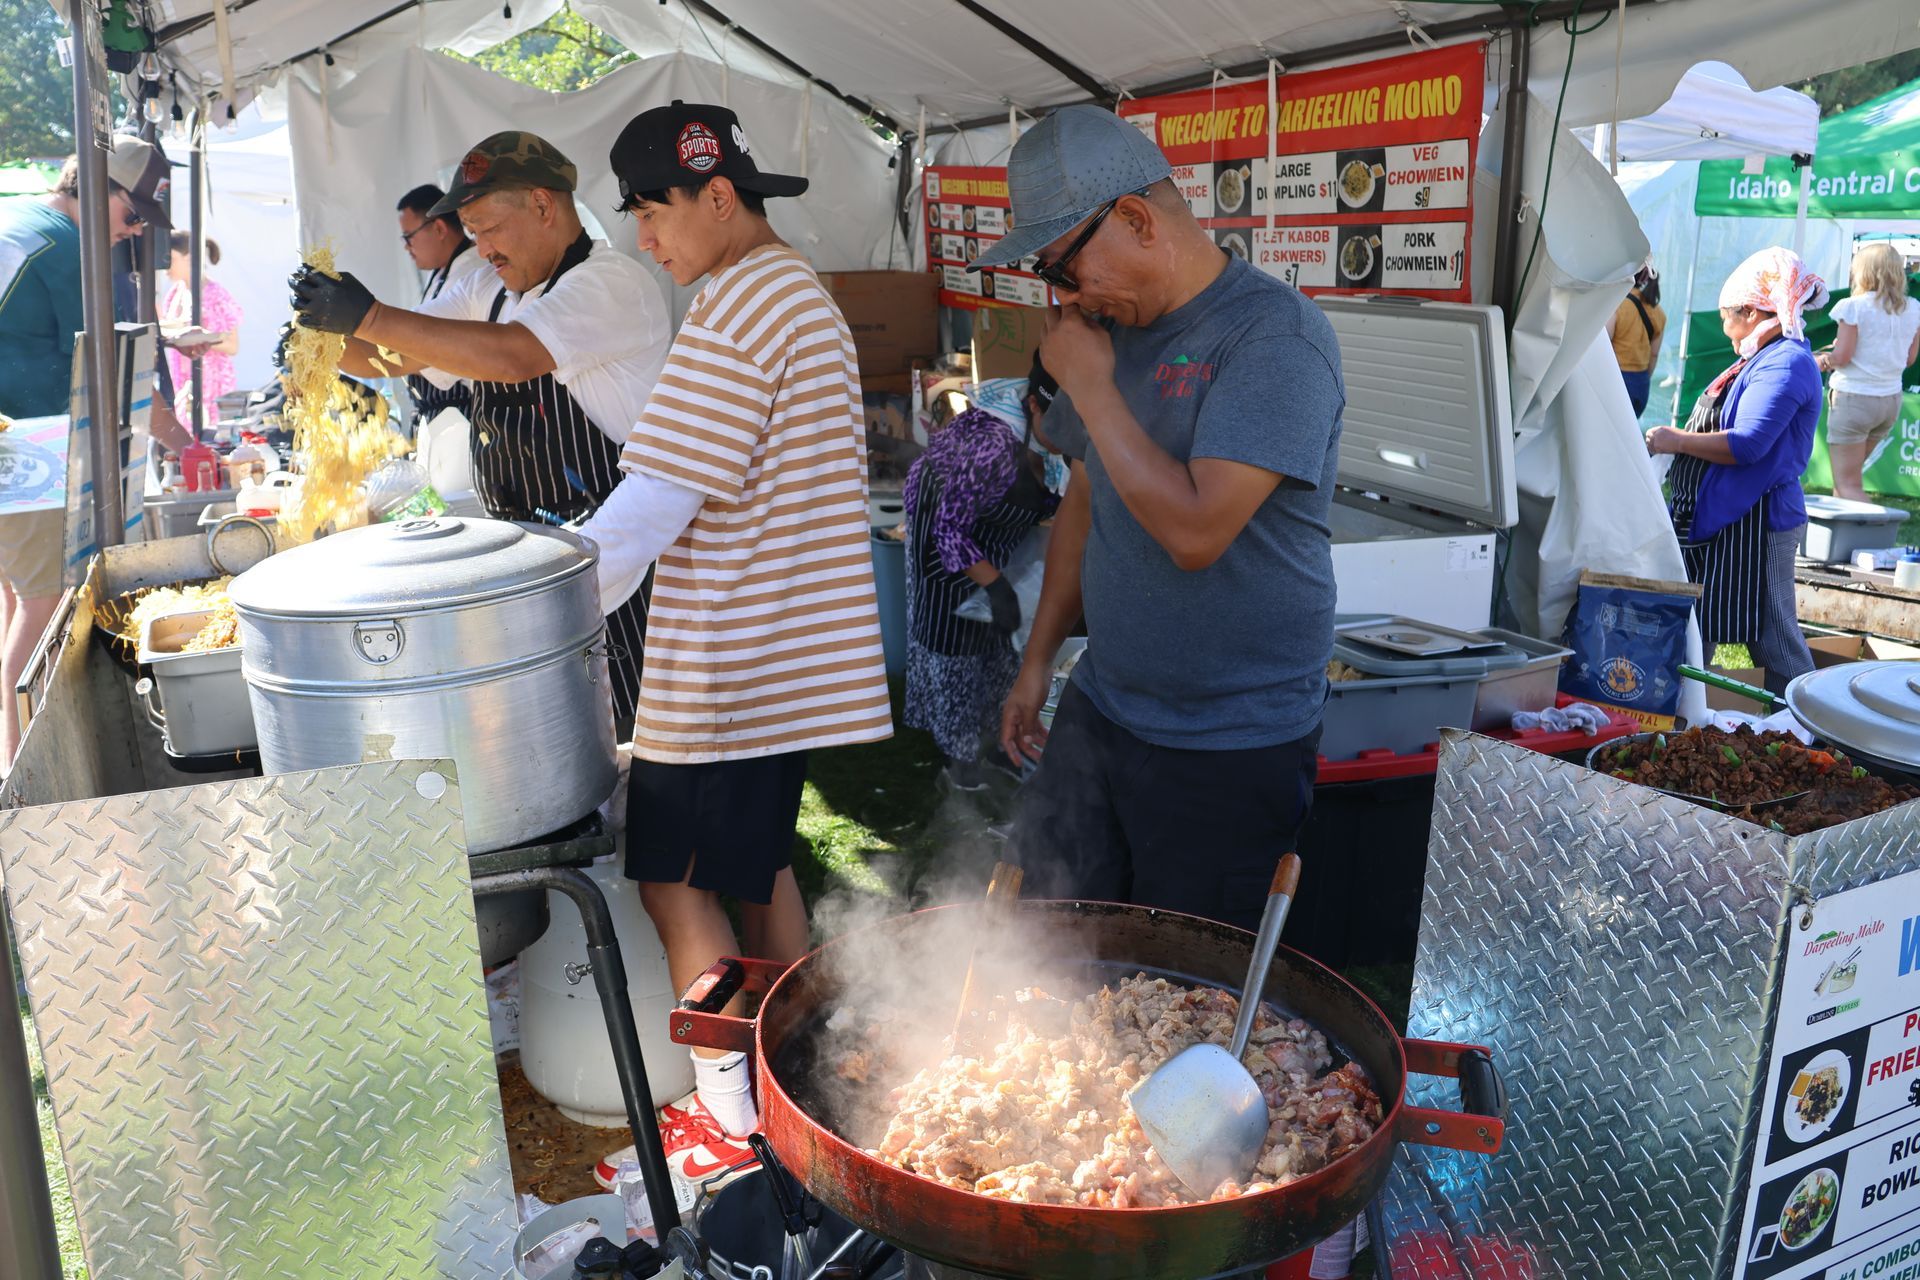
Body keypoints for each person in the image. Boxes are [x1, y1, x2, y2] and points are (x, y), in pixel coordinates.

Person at [576, 101, 890, 1180]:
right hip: (775, 652)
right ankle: (815, 1065)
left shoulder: (744, 304)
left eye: (652, 214)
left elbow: (656, 500)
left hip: (731, 667)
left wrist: (546, 603)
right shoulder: (786, 289)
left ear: (717, 196)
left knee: (676, 881)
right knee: (757, 871)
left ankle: (736, 1115)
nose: (644, 241)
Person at [977, 106, 1344, 933]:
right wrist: (1039, 664)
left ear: (1136, 219)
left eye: (1063, 270)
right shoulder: (1111, 329)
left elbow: (1196, 532)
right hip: (1106, 704)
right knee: (1040, 938)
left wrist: (1094, 387)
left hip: (1231, 741)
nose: (1063, 298)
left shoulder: (1274, 338)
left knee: (1184, 986)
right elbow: (1084, 497)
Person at [289, 132, 671, 734]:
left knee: (631, 750)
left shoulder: (611, 283)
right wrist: (321, 338)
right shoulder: (488, 290)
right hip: (531, 564)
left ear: (544, 206)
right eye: (470, 232)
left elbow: (515, 356)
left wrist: (368, 315)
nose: (480, 247)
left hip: (616, 561)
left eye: (489, 227)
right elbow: (398, 356)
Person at [0, 135, 184, 766]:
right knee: (43, 603)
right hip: (25, 451)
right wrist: (182, 445)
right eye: (133, 216)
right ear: (100, 187)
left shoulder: (22, 219)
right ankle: (25, 775)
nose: (133, 233)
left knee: (15, 598)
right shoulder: (70, 250)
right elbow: (110, 369)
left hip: (14, 448)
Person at [1646, 247, 1825, 695]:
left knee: (1775, 641)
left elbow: (1748, 444)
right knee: (1695, 631)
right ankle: (1685, 721)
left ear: (1749, 312)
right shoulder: (1758, 359)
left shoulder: (1786, 362)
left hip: (1759, 522)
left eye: (1726, 316)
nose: (1725, 328)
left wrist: (1677, 440)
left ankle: (1812, 736)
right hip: (1726, 520)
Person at [902, 360, 1060, 791]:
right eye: (1060, 417)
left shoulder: (1056, 442)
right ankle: (959, 766)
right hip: (941, 530)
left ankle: (994, 743)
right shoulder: (991, 445)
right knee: (952, 636)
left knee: (999, 648)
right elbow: (949, 529)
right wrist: (997, 585)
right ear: (1033, 406)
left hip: (988, 533)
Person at [1817, 243, 1919, 500]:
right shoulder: (1914, 308)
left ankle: (1874, 536)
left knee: (1847, 485)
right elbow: (1909, 359)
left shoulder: (1853, 306)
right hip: (1889, 402)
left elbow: (1842, 357)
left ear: (1862, 271)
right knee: (1850, 481)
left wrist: (1822, 360)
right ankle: (1855, 539)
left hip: (1854, 399)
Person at [394, 183, 493, 424]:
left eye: (409, 237)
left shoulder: (470, 273)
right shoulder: (441, 272)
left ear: (438, 228)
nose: (407, 247)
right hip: (439, 417)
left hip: (463, 418)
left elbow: (427, 346)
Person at [161, 231, 241, 425]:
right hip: (182, 379)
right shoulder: (175, 292)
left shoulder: (215, 294)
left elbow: (232, 345)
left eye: (169, 258)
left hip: (210, 384)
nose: (164, 266)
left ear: (189, 258)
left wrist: (196, 339)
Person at [1607, 264, 1666, 418]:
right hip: (1641, 384)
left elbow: (1604, 346)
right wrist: (1643, 379)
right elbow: (1654, 355)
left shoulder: (1617, 304)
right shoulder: (1658, 312)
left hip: (1617, 381)